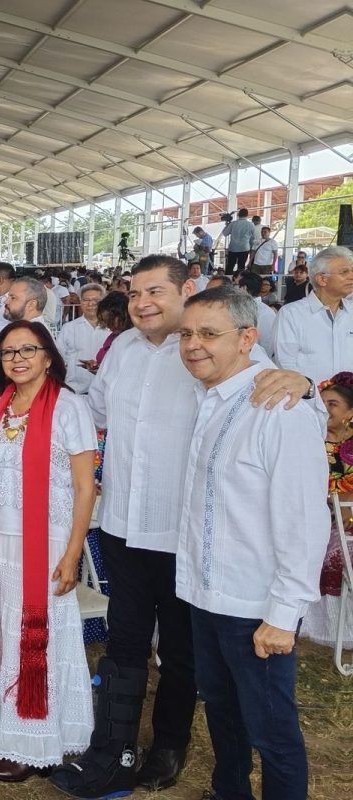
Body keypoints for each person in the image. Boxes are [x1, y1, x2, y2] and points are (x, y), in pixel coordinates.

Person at [52, 256, 311, 799]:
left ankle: (169, 746)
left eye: (156, 291)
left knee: (182, 652)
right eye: (135, 291)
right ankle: (115, 749)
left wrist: (304, 382)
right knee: (124, 642)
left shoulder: (214, 351)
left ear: (186, 289)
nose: (143, 302)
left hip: (186, 539)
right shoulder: (121, 349)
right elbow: (93, 413)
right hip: (123, 524)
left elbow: (271, 388)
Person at [175, 286, 327, 800]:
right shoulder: (209, 399)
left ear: (248, 338)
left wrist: (284, 613)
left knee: (272, 732)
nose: (194, 344)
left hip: (255, 604)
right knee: (221, 713)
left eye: (209, 334)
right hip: (205, 595)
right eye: (187, 333)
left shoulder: (278, 407)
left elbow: (304, 520)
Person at [0, 320, 97, 781]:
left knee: (40, 637)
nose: (18, 358)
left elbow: (86, 487)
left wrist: (72, 552)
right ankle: (12, 726)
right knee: (8, 634)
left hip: (46, 544)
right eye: (8, 352)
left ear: (49, 355)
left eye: (29, 349)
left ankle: (34, 742)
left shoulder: (69, 407)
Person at [301, 372, 353, 647]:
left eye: (332, 404)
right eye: (322, 404)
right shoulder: (309, 441)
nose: (325, 410)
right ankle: (321, 629)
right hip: (319, 518)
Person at [272, 246, 353, 383]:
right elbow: (286, 366)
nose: (351, 276)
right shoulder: (291, 314)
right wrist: (313, 395)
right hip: (307, 401)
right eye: (344, 272)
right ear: (322, 279)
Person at [57, 284, 109, 393]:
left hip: (105, 391)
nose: (90, 304)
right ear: (80, 302)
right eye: (85, 300)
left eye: (96, 300)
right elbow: (59, 356)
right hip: (75, 390)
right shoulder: (69, 328)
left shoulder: (112, 329)